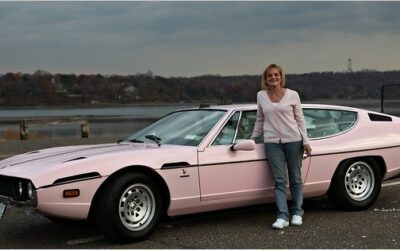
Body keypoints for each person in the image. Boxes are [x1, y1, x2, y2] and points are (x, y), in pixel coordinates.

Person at [251, 64, 312, 229]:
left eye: (276, 75)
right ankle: (282, 216)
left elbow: (300, 120)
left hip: (294, 140)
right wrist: (252, 139)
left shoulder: (293, 95)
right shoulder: (261, 96)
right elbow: (260, 119)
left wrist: (305, 141)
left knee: (295, 178)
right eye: (270, 75)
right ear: (265, 79)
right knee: (279, 181)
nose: (273, 78)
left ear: (281, 77)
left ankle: (297, 212)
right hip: (272, 143)